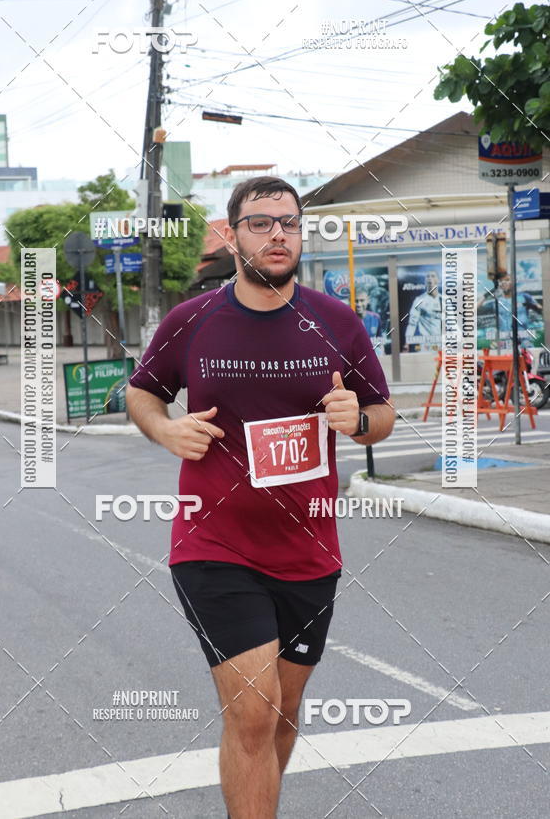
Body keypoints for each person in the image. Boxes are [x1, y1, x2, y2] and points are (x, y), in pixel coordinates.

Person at [126, 176, 395, 819]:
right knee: (253, 710)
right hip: (214, 545)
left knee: (283, 711)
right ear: (233, 235)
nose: (278, 234)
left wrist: (356, 419)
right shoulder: (192, 320)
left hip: (309, 549)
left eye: (290, 223)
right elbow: (142, 391)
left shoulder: (336, 322)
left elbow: (382, 414)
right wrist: (165, 429)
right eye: (261, 223)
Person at [478, 273, 542, 345]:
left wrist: (529, 305)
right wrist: (488, 293)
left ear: (514, 282)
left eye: (507, 280)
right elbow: (475, 309)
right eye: (501, 281)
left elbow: (541, 310)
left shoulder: (524, 297)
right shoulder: (496, 301)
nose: (504, 282)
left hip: (524, 341)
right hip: (505, 341)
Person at [402, 269, 442, 351]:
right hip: (425, 344)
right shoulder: (419, 300)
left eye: (433, 276)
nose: (429, 278)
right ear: (425, 281)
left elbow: (451, 323)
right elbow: (412, 323)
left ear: (439, 280)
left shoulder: (444, 300)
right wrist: (407, 343)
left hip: (440, 343)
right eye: (427, 276)